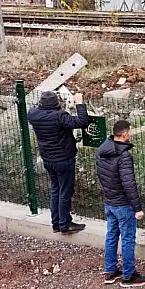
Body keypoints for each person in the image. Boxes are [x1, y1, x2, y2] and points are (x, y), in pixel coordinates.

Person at [96, 120, 145, 287]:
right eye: (130, 132)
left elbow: (102, 175)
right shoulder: (123, 156)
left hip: (109, 201)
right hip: (123, 204)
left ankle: (110, 271)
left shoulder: (101, 150)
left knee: (111, 235)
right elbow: (128, 184)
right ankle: (128, 275)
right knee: (127, 238)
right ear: (125, 134)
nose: (131, 134)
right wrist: (137, 208)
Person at [28, 90, 90, 234]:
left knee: (55, 189)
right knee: (65, 192)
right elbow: (82, 121)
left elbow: (34, 109)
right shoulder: (60, 117)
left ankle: (56, 222)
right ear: (56, 103)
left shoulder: (33, 115)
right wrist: (80, 103)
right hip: (63, 159)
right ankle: (65, 224)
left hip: (48, 159)